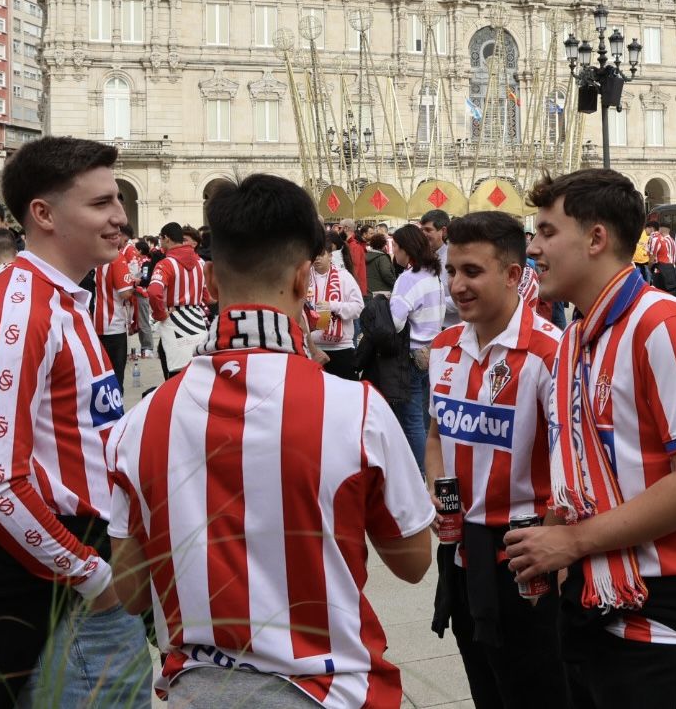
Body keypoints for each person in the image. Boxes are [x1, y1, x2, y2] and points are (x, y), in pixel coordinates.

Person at [106, 173, 432, 709]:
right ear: (305, 278)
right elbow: (413, 561)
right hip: (332, 689)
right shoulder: (355, 409)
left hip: (199, 689)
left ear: (209, 282)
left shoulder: (140, 423)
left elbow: (130, 590)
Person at [503, 169, 676, 709]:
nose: (533, 247)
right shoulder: (573, 341)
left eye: (545, 231)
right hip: (594, 611)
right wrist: (551, 545)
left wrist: (573, 542)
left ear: (595, 239)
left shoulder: (664, 326)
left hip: (667, 626)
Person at [0, 137, 149, 709]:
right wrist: (94, 579)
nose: (120, 217)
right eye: (101, 204)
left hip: (83, 567)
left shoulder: (62, 299)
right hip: (63, 585)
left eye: (117, 201)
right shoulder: (22, 311)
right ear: (43, 215)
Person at [425, 211, 567, 706]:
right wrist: (434, 493)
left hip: (526, 566)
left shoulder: (552, 354)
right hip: (462, 557)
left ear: (512, 274)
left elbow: (575, 463)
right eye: (451, 271)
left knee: (536, 692)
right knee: (486, 688)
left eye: (472, 271)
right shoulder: (443, 349)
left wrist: (552, 543)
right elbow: (437, 433)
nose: (457, 286)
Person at [389, 225, 445, 475]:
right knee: (425, 418)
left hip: (411, 356)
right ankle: (432, 470)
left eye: (397, 247)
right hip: (432, 353)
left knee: (412, 421)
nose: (395, 252)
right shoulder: (433, 275)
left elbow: (397, 321)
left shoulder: (408, 278)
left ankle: (424, 476)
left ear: (405, 249)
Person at [148, 221, 209, 379]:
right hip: (197, 320)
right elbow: (208, 297)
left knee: (175, 375)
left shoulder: (166, 264)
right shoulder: (200, 263)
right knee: (198, 373)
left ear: (166, 238)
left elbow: (154, 292)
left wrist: (160, 314)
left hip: (174, 321)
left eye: (161, 238)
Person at [307, 235, 364, 379]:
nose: (317, 259)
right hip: (312, 348)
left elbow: (358, 307)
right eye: (314, 255)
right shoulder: (305, 277)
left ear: (330, 256)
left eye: (321, 254)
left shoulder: (343, 276)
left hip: (341, 348)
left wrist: (333, 305)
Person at [93, 234, 137, 387]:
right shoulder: (117, 259)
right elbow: (125, 293)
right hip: (114, 324)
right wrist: (133, 286)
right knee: (116, 376)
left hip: (96, 321)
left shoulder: (96, 259)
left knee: (100, 374)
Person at [421, 208, 459, 328]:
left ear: (443, 231)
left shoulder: (454, 257)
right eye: (422, 230)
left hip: (450, 327)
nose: (423, 234)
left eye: (428, 230)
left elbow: (460, 299)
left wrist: (431, 305)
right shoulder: (421, 257)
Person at [340, 218, 370, 296]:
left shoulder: (354, 245)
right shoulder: (352, 243)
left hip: (354, 289)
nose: (338, 231)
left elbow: (353, 269)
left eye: (340, 228)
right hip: (355, 287)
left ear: (346, 228)